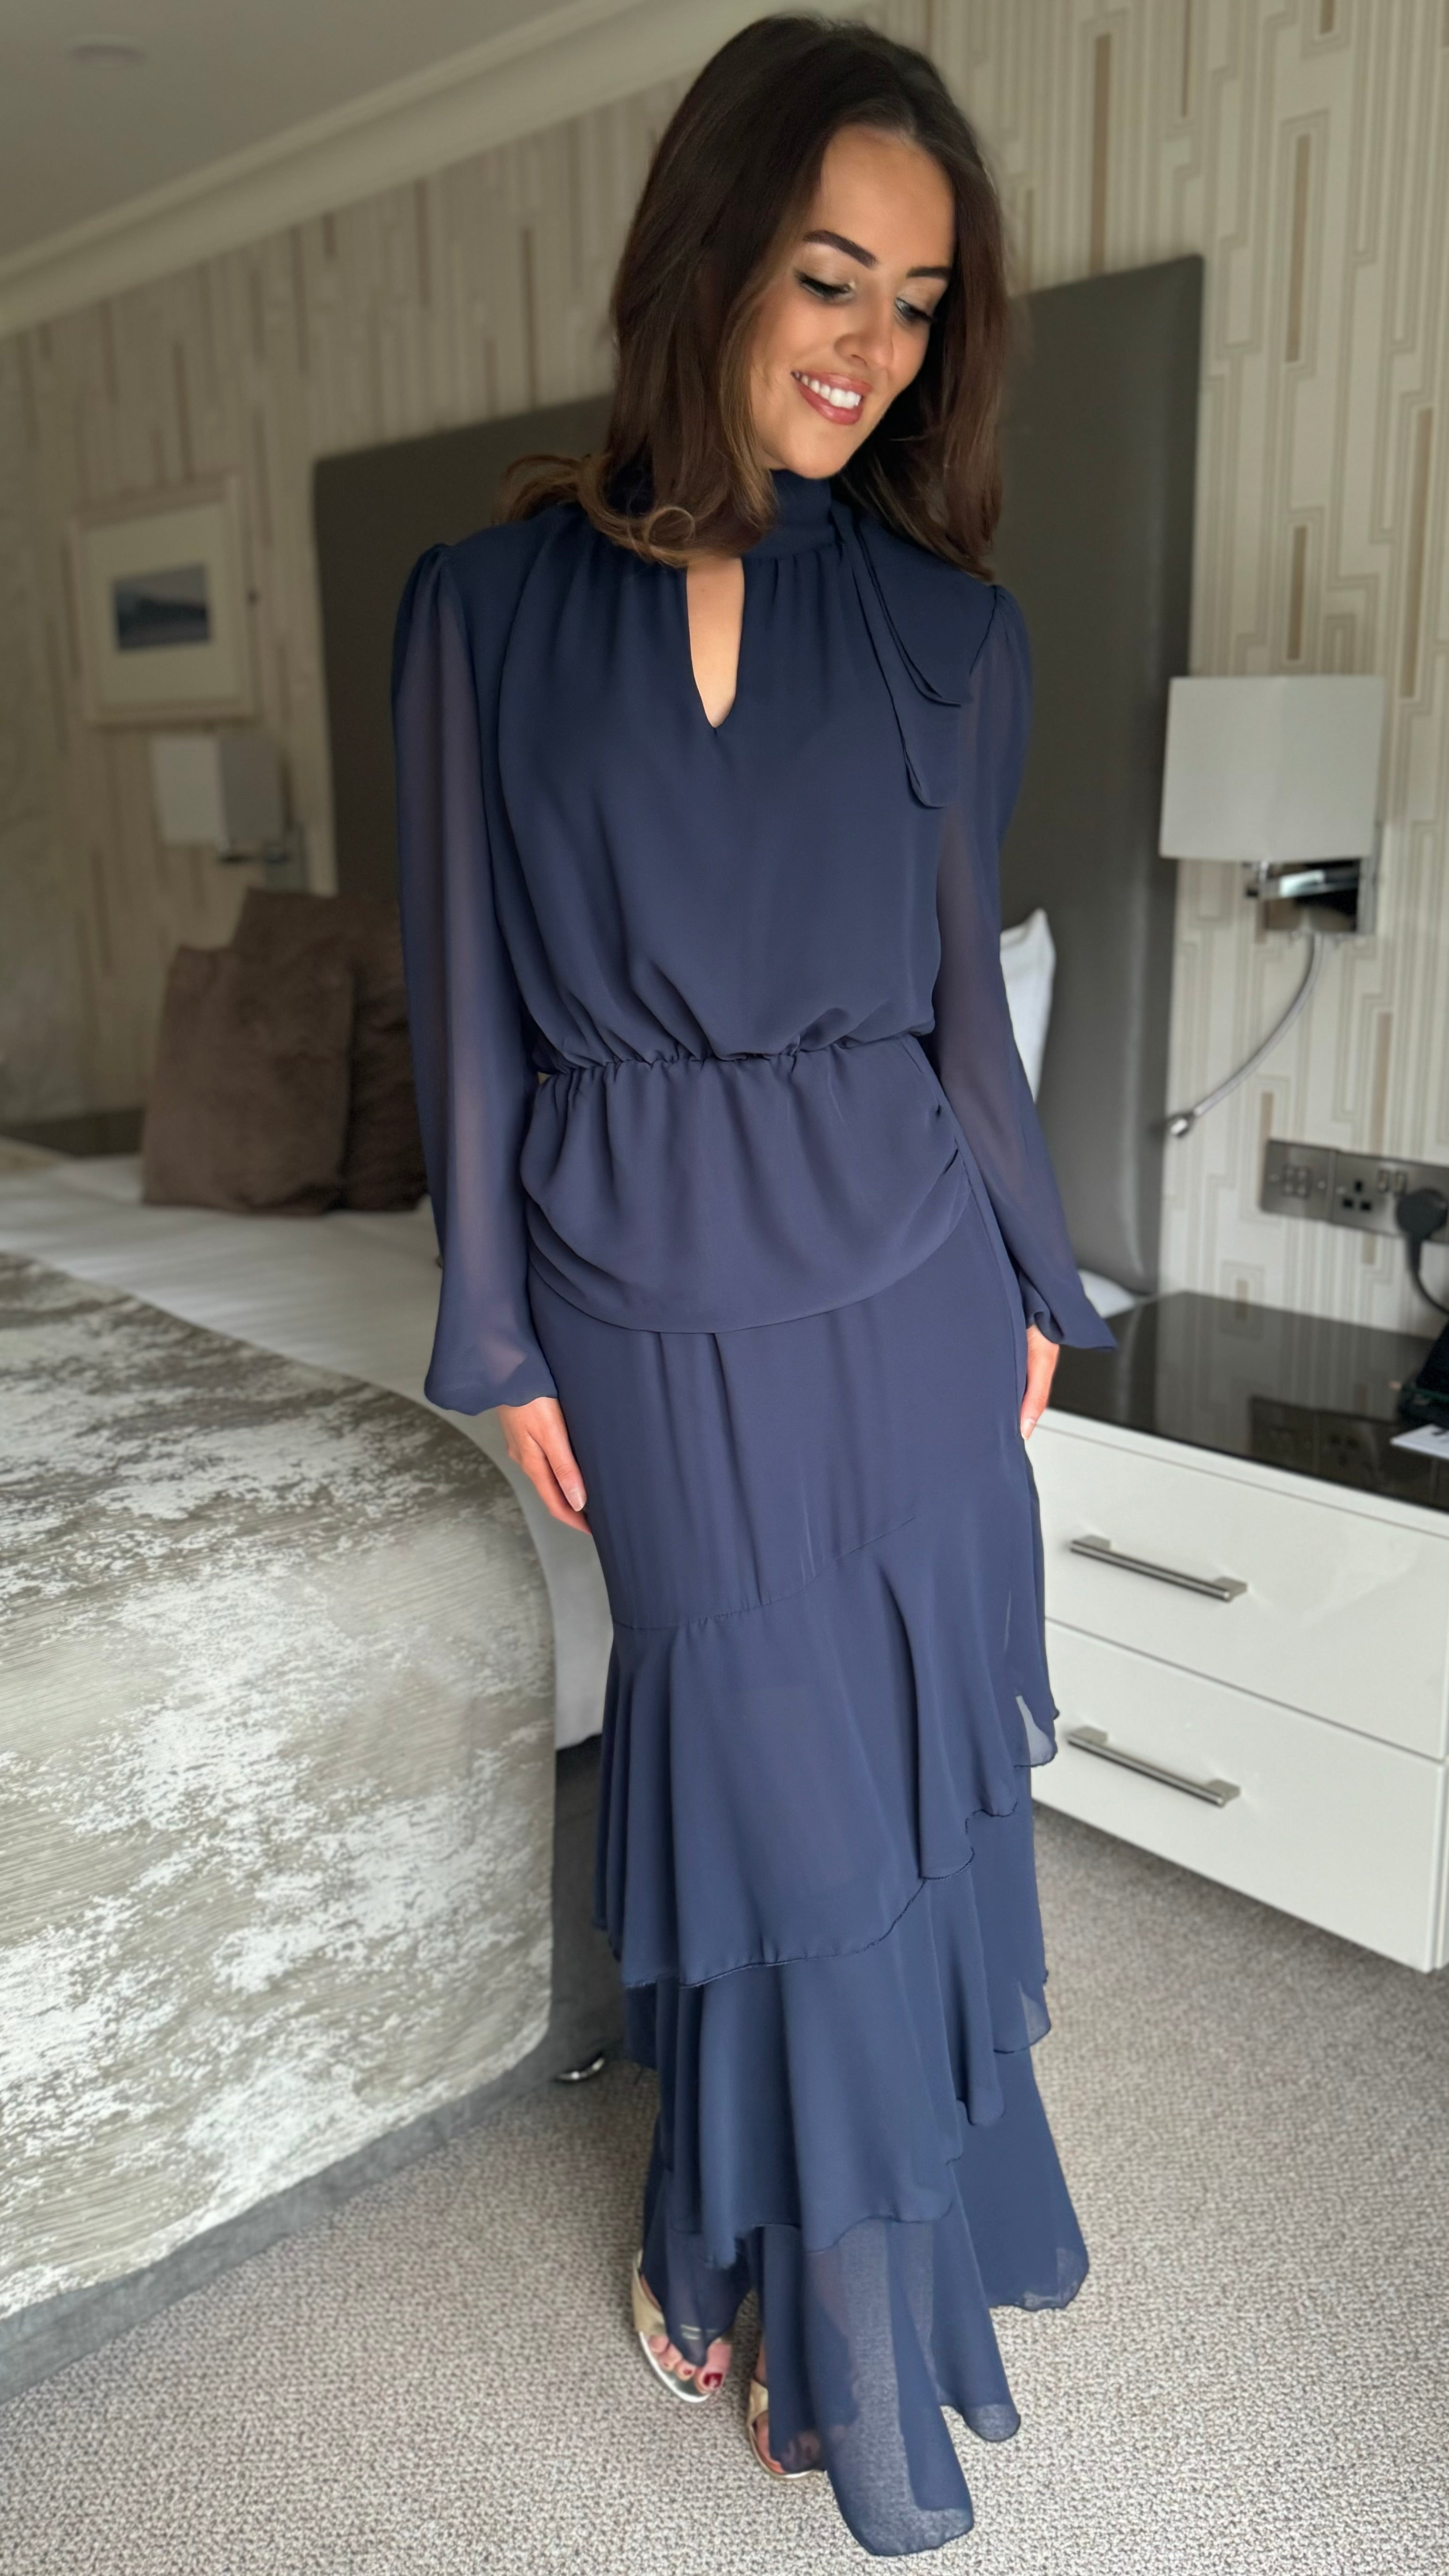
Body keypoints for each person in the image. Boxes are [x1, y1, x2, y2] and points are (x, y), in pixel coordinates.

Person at [392, 14, 1117, 2557]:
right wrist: (491, 1333)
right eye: (829, 277)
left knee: (892, 1798)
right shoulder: (484, 610)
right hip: (639, 1292)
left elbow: (958, 1016)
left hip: (910, 1283)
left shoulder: (948, 631)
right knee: (762, 1782)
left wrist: (1039, 1284)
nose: (867, 346)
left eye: (917, 304)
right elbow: (469, 1010)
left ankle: (821, 2291)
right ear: (707, 255)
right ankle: (755, 2225)